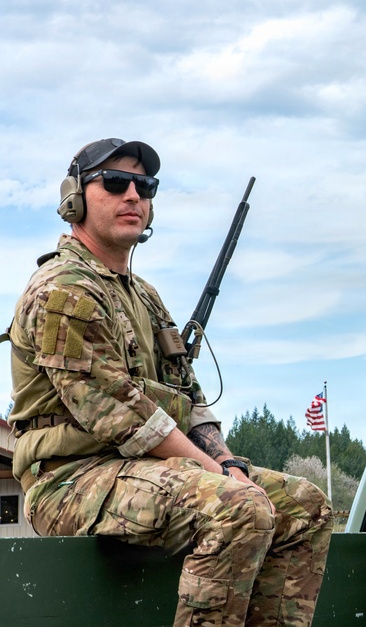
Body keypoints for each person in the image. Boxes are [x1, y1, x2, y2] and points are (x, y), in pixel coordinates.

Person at [4, 138, 335, 626]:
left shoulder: (144, 296)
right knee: (237, 507)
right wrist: (215, 474)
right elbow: (120, 416)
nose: (133, 195)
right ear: (73, 198)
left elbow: (191, 400)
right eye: (115, 182)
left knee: (306, 506)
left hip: (144, 471)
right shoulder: (64, 291)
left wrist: (227, 461)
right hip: (69, 479)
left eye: (145, 185)